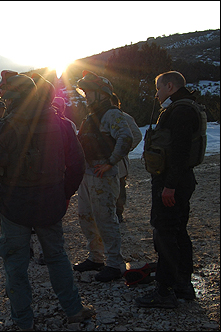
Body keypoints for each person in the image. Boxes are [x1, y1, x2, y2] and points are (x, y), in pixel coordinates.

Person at [0, 70, 93, 329]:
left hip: (14, 206)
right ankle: (73, 309)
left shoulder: (4, 128)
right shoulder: (60, 123)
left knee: (16, 264)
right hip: (50, 202)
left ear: (13, 98)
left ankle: (23, 322)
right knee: (57, 256)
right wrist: (63, 194)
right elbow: (77, 165)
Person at [135, 71, 202, 308]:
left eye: (159, 88)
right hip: (180, 180)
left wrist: (169, 186)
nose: (157, 93)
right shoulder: (186, 107)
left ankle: (164, 291)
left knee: (165, 233)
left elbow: (180, 153)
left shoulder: (180, 111)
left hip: (172, 182)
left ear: (170, 86)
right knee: (177, 231)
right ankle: (183, 285)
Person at [74, 70, 133, 282]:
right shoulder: (91, 117)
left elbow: (125, 138)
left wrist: (110, 163)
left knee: (105, 218)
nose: (86, 96)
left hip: (102, 173)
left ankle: (115, 263)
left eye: (90, 92)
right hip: (88, 172)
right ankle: (96, 258)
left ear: (103, 93)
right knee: (86, 216)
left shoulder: (112, 114)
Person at [110, 93, 143, 223]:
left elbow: (136, 135)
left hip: (119, 161)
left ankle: (118, 212)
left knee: (120, 186)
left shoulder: (124, 117)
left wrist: (123, 149)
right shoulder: (100, 118)